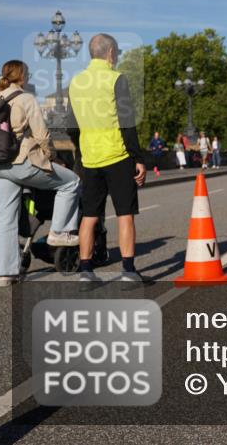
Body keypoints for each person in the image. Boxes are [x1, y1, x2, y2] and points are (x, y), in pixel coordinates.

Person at [66, 34, 149, 284]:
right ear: (111, 52)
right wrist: (138, 157)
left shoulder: (76, 82)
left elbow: (71, 126)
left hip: (90, 158)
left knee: (89, 216)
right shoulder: (116, 79)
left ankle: (85, 272)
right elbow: (126, 122)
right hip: (117, 155)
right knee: (125, 214)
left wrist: (83, 149)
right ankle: (128, 271)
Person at [0, 61, 81, 286]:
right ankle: (59, 232)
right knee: (71, 183)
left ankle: (5, 274)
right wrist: (53, 157)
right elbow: (42, 135)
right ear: (23, 76)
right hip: (21, 162)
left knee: (5, 217)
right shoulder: (26, 98)